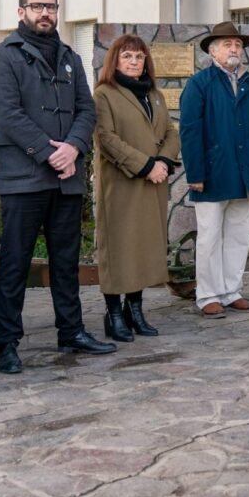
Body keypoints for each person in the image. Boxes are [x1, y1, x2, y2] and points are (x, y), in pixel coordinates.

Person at [0, 0, 116, 374]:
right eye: (37, 6)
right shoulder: (2, 57)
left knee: (65, 261)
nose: (45, 12)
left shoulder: (70, 57)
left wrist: (73, 148)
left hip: (67, 179)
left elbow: (85, 110)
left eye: (51, 6)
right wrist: (50, 153)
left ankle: (71, 331)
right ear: (21, 11)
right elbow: (8, 115)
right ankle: (6, 343)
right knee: (15, 264)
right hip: (25, 180)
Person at [179, 22, 249, 318]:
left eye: (238, 45)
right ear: (212, 50)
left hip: (245, 174)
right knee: (209, 238)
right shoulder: (199, 83)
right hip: (212, 174)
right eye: (228, 44)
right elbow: (190, 131)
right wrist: (195, 175)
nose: (234, 49)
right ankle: (208, 296)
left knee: (238, 236)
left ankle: (231, 292)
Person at [93, 35, 181, 341]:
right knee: (119, 249)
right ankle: (114, 315)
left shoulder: (154, 94)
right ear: (115, 60)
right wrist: (146, 166)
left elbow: (170, 132)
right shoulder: (104, 94)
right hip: (122, 185)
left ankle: (135, 311)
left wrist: (163, 162)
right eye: (127, 56)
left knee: (141, 249)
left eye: (139, 57)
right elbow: (106, 138)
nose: (134, 62)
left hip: (153, 183)